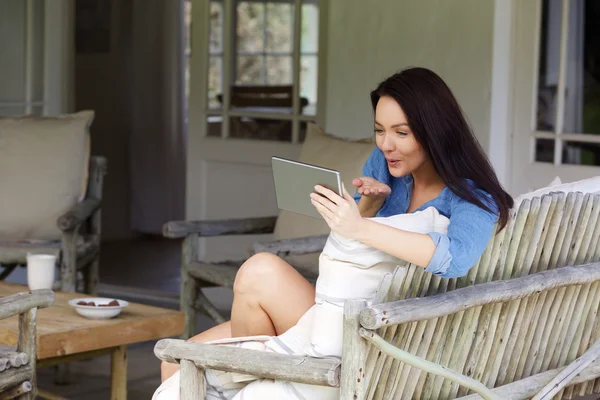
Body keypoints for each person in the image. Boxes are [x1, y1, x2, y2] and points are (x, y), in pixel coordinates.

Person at [156, 67, 514, 397]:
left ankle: (259, 380)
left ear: (436, 132)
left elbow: (456, 259)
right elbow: (349, 246)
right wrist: (367, 208)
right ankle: (262, 380)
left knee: (199, 357)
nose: (386, 144)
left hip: (378, 338)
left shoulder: (472, 196)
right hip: (332, 316)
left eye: (401, 132)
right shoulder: (387, 167)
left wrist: (361, 226)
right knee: (172, 362)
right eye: (379, 129)